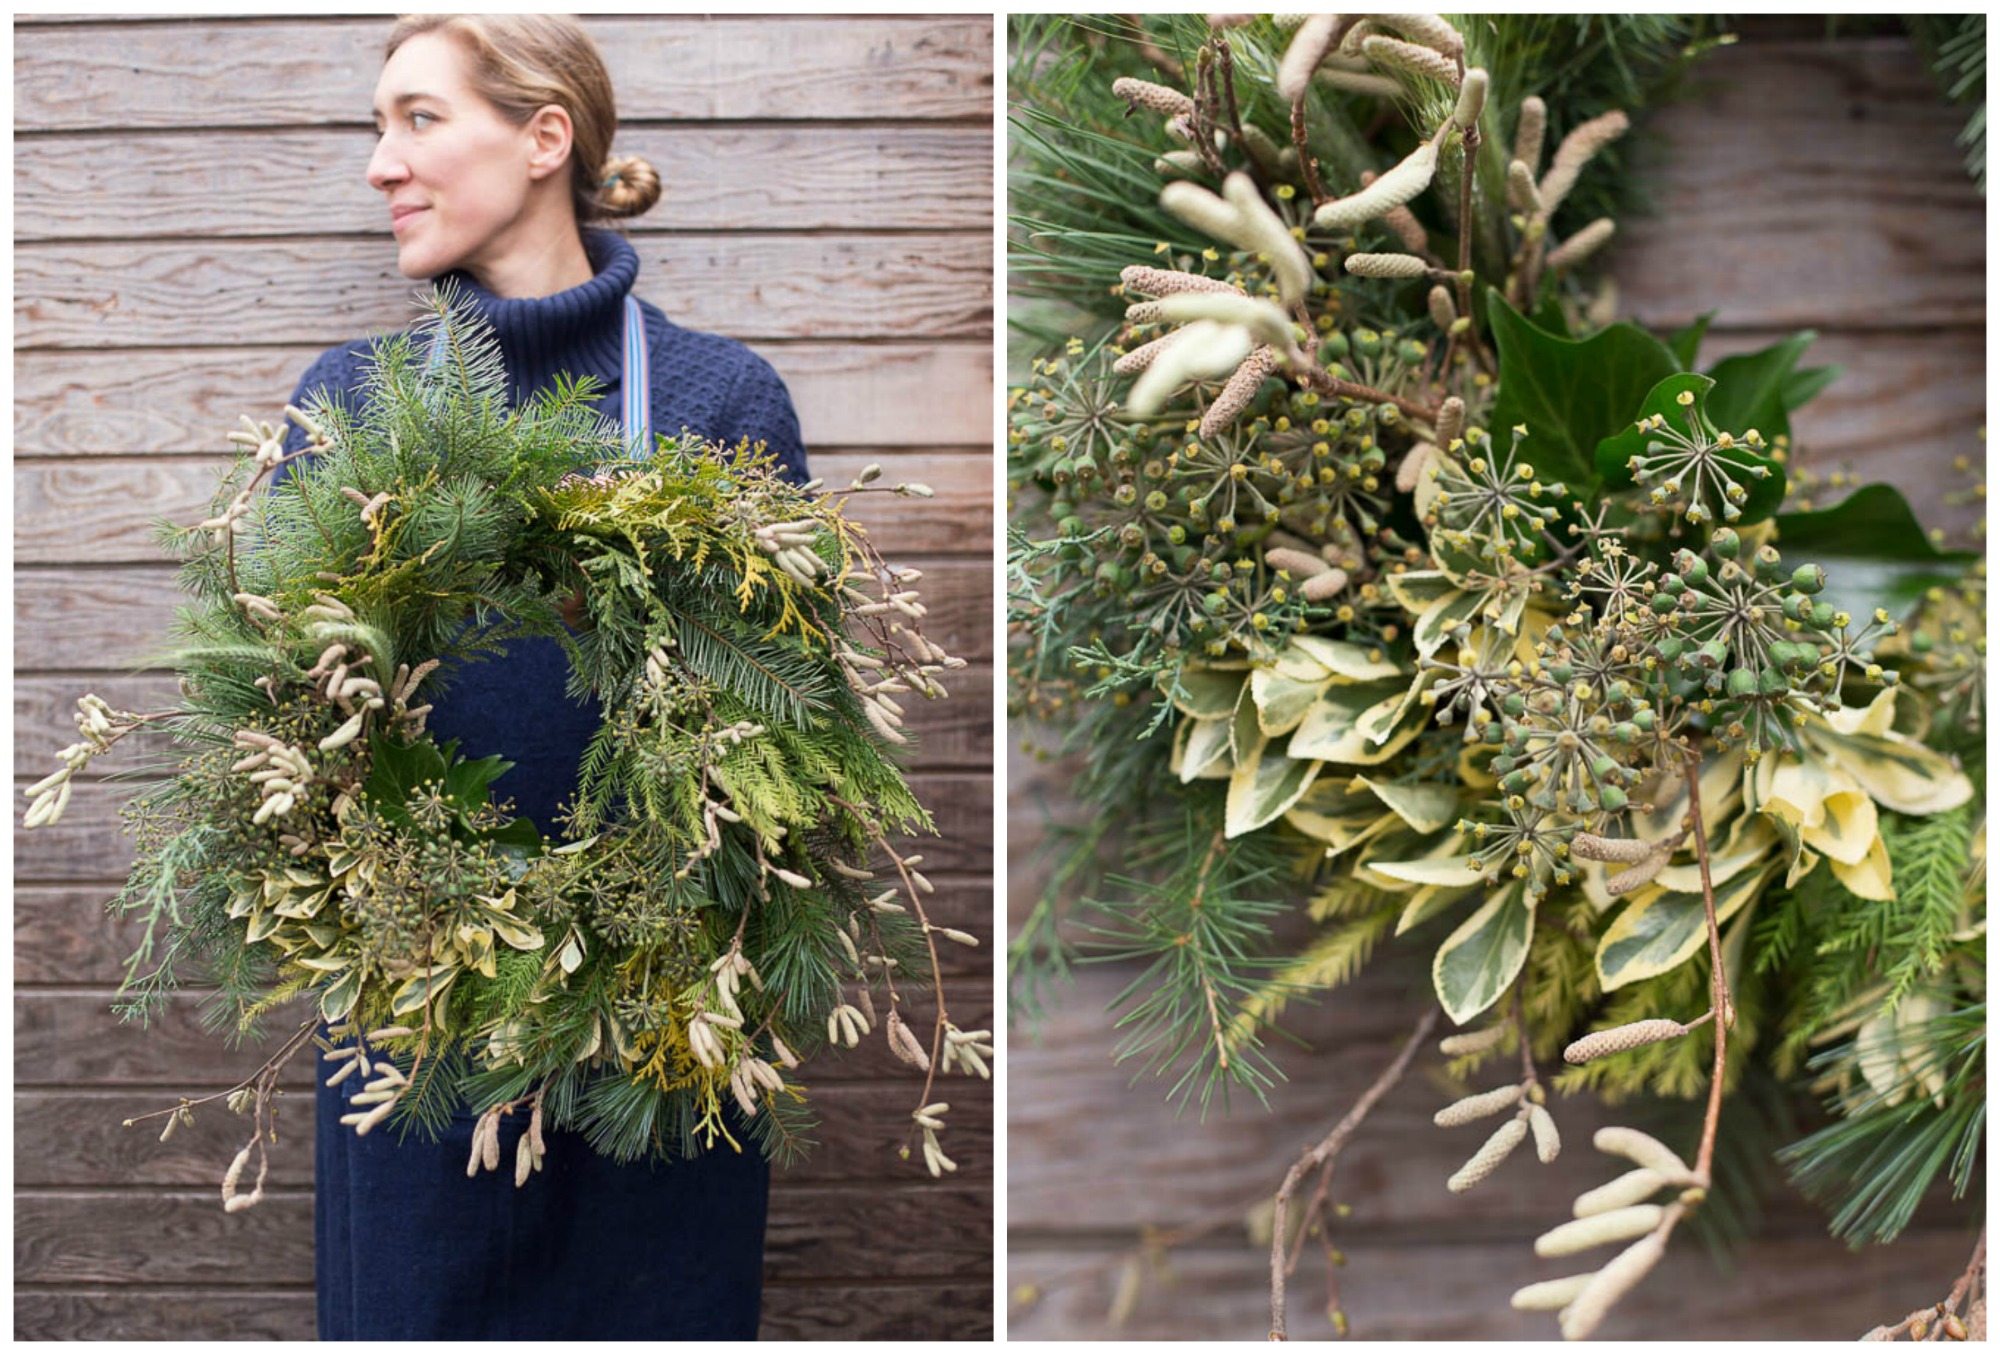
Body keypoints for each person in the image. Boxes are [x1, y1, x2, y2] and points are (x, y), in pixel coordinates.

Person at [280, 15, 803, 1339]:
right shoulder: (350, 403)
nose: (379, 163)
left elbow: (786, 739)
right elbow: (284, 722)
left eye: (417, 118)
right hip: (417, 1051)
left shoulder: (719, 402)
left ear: (543, 138)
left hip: (657, 1043)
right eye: (376, 125)